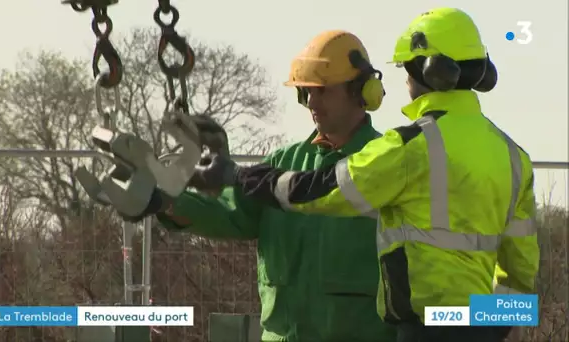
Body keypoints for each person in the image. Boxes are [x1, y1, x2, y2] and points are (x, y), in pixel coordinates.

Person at [187, 8, 540, 342]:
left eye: (407, 70)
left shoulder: (411, 146)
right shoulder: (514, 156)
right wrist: (486, 328)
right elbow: (521, 275)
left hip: (421, 331)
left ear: (431, 72)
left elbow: (324, 190)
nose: (405, 81)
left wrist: (238, 175)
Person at [122, 30, 396, 341]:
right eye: (305, 92)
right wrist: (163, 202)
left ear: (361, 91)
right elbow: (229, 213)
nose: (311, 103)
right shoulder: (283, 162)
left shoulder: (387, 164)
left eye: (322, 91)